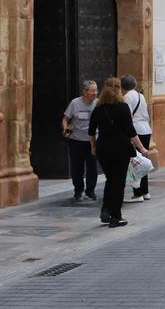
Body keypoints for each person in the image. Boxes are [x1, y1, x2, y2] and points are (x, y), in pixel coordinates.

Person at [89, 78, 150, 228]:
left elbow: (91, 132)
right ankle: (116, 217)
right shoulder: (123, 107)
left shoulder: (98, 108)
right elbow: (131, 132)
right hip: (120, 149)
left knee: (110, 180)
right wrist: (141, 148)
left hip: (103, 148)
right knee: (119, 183)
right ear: (119, 90)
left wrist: (93, 147)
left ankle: (106, 210)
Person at [61, 80, 99, 202]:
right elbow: (65, 118)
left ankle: (90, 190)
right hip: (76, 141)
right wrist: (65, 128)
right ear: (84, 91)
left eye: (96, 90)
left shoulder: (98, 103)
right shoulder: (75, 103)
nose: (95, 93)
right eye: (92, 90)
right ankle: (78, 190)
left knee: (92, 167)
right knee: (77, 167)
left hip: (92, 141)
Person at [123, 75, 153, 202]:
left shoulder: (126, 97)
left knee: (135, 162)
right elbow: (147, 113)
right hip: (146, 129)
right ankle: (145, 191)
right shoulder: (141, 96)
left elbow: (128, 116)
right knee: (142, 161)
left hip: (136, 131)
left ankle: (138, 193)